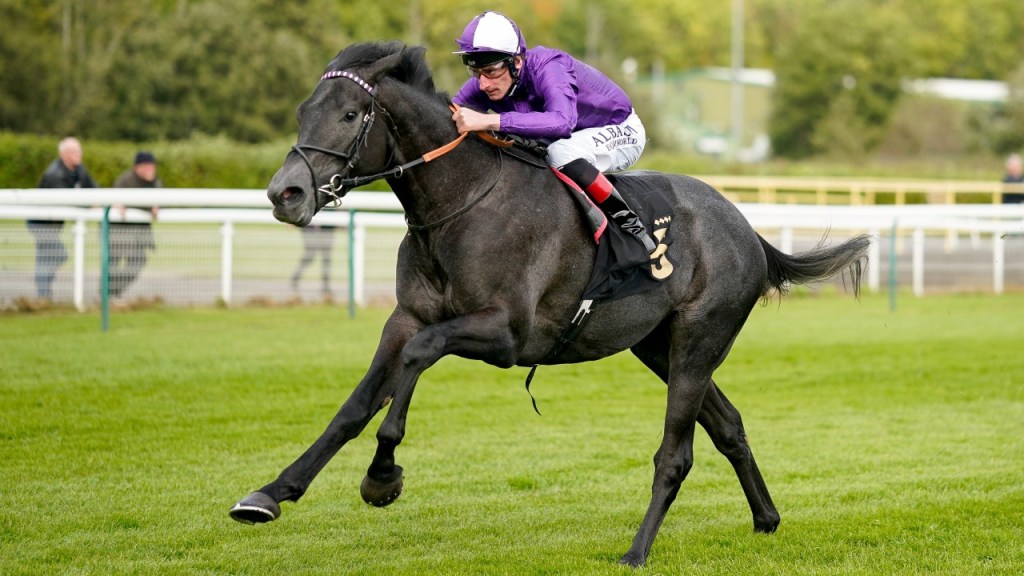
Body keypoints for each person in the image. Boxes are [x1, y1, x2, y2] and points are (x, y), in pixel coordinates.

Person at [450, 10, 655, 253]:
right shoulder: (486, 79)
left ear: (516, 61)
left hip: (620, 130)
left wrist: (489, 120)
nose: (483, 83)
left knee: (560, 152)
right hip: (572, 140)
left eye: (491, 72)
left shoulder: (550, 66)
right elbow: (450, 116)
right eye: (476, 73)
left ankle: (630, 228)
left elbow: (562, 122)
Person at [29, 137, 98, 299]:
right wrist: (92, 205)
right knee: (56, 254)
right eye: (75, 151)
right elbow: (69, 202)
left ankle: (43, 294)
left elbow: (93, 187)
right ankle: (43, 292)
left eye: (80, 150)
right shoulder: (54, 174)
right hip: (40, 222)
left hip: (54, 223)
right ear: (63, 154)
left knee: (49, 257)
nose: (79, 154)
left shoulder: (79, 169)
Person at [109, 151, 161, 299]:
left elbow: (159, 200)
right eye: (146, 166)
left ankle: (113, 292)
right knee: (113, 262)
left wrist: (156, 206)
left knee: (138, 260)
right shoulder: (125, 181)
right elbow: (115, 200)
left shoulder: (156, 182)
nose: (150, 169)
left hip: (139, 232)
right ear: (137, 167)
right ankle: (107, 294)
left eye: (152, 166)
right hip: (118, 231)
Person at [291, 224, 336, 297]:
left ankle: (326, 286)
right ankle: (295, 277)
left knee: (326, 258)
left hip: (326, 227)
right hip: (310, 228)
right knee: (310, 255)